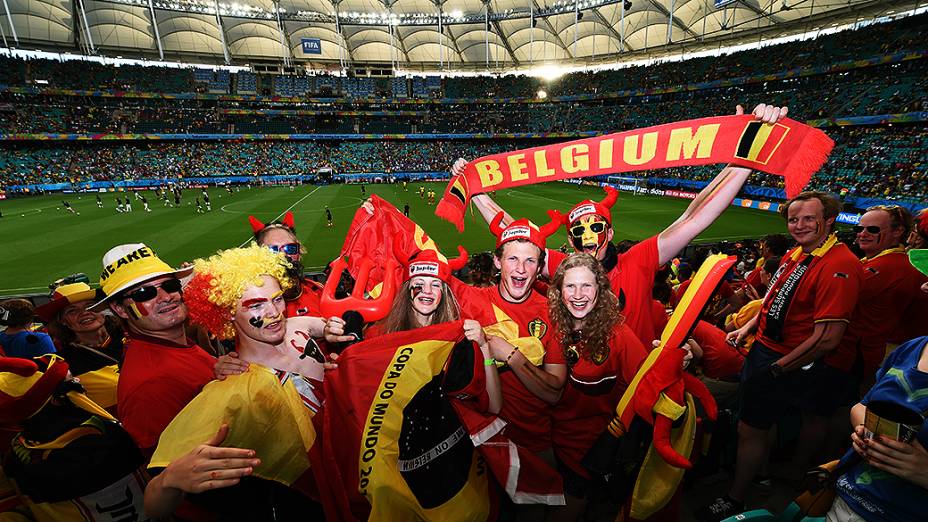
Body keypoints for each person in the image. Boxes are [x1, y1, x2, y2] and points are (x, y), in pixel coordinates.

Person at [467, 103, 790, 347]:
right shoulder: (564, 266)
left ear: (610, 232)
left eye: (596, 228)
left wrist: (746, 157)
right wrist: (475, 188)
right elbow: (517, 234)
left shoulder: (638, 262)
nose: (588, 238)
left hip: (633, 390)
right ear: (571, 239)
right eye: (579, 231)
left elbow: (693, 217)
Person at [699, 191, 863, 520]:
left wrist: (778, 367)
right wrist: (747, 331)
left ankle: (736, 497)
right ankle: (762, 473)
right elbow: (775, 300)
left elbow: (828, 339)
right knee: (759, 425)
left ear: (829, 220)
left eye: (807, 218)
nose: (798, 225)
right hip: (767, 352)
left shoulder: (839, 265)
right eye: (793, 219)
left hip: (783, 362)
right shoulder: (799, 253)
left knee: (751, 428)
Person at [144, 245, 327, 519]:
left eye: (277, 300)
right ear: (229, 312)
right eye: (256, 305)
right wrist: (169, 480)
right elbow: (152, 505)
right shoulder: (230, 390)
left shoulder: (298, 332)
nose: (274, 313)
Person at [546, 253, 649, 521]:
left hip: (590, 448)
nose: (578, 294)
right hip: (551, 439)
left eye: (587, 286)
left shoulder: (618, 335)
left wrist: (672, 361)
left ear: (600, 290)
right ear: (559, 291)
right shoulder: (553, 325)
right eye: (570, 286)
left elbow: (648, 384)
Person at [89, 243, 216, 455]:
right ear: (120, 309)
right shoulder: (151, 384)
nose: (166, 297)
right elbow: (171, 466)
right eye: (143, 293)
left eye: (170, 285)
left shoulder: (173, 346)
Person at [0, 356, 147, 521]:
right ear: (56, 400)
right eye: (70, 382)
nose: (78, 380)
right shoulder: (100, 438)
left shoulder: (17, 451)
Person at [840, 205, 928, 389]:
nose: (862, 234)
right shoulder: (900, 261)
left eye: (872, 229)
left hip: (867, 355)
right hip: (881, 354)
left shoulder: (889, 267)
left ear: (898, 231)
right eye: (859, 228)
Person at [35, 282, 124, 412]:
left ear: (102, 309)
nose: (85, 313)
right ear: (62, 321)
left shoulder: (133, 336)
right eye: (72, 311)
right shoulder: (64, 364)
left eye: (90, 306)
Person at [249, 212, 325, 318]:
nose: (283, 255)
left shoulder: (319, 293)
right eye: (272, 250)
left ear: (299, 252)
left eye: (290, 248)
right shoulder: (249, 305)